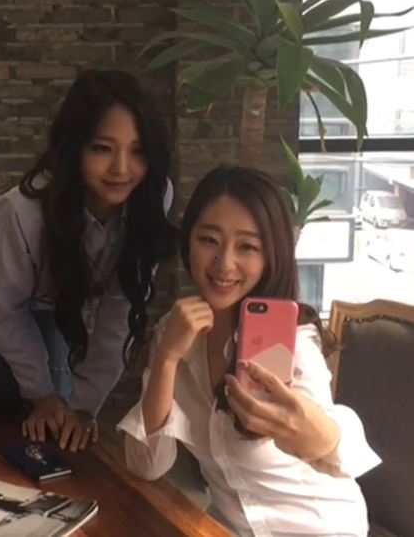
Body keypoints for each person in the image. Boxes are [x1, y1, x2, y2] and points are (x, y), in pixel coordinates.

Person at [118, 166, 381, 536]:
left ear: (271, 255)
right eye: (209, 240)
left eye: (247, 247)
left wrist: (323, 436)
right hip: (229, 527)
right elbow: (146, 466)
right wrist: (166, 358)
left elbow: (332, 443)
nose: (224, 263)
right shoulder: (175, 332)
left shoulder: (291, 341)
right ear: (188, 241)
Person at [0, 69, 177, 452]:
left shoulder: (152, 196)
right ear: (74, 147)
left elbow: (120, 310)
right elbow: (6, 312)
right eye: (102, 148)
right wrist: (40, 396)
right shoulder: (19, 213)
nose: (121, 169)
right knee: (9, 392)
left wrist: (85, 407)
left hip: (54, 289)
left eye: (138, 151)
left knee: (63, 399)